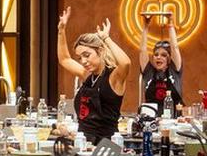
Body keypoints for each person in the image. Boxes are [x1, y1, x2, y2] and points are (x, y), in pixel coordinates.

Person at [57, 8, 131, 146]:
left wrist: (106, 39)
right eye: (80, 58)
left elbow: (125, 63)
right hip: (83, 143)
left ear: (100, 51)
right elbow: (64, 59)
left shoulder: (113, 77)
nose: (83, 61)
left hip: (106, 146)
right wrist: (61, 30)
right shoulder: (87, 75)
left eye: (87, 55)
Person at [139, 15, 183, 110]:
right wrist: (145, 26)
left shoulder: (174, 70)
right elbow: (142, 50)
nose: (158, 57)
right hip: (152, 116)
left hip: (174, 117)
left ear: (169, 58)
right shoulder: (149, 72)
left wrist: (170, 24)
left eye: (163, 55)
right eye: (156, 54)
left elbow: (175, 48)